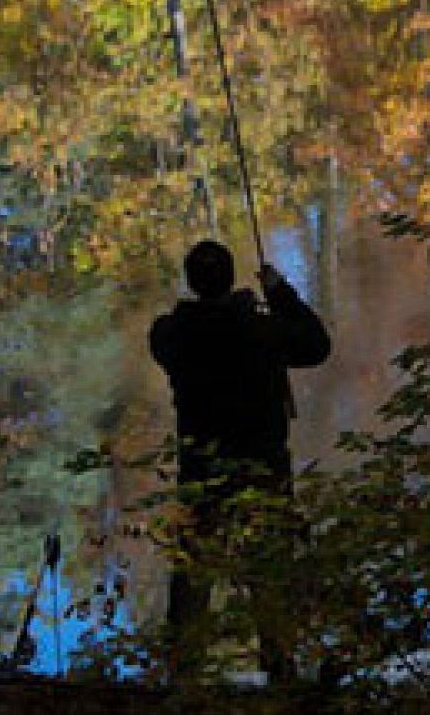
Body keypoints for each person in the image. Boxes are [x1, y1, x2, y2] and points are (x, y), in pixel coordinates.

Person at [149, 239, 331, 671]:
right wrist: (278, 292)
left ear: (192, 282)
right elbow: (316, 346)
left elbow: (187, 328)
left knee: (194, 572)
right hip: (263, 467)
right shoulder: (260, 330)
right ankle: (281, 668)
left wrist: (242, 309)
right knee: (268, 570)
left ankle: (182, 671)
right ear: (231, 279)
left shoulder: (170, 334)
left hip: (202, 472)